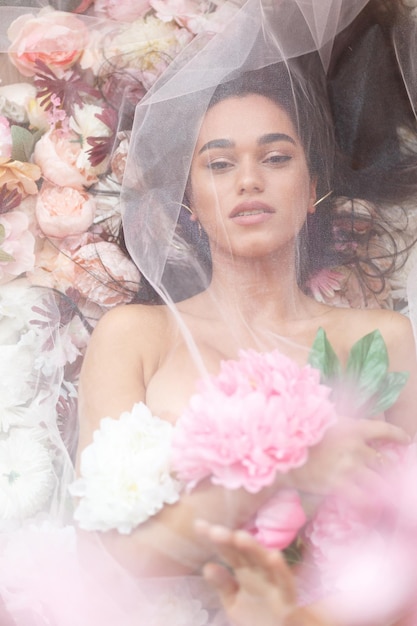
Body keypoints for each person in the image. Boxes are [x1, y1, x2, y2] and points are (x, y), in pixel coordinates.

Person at [77, 0, 417, 594]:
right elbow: (119, 554)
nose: (249, 180)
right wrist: (289, 477)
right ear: (190, 204)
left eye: (276, 157)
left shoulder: (379, 337)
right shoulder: (135, 336)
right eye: (219, 164)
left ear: (312, 188)